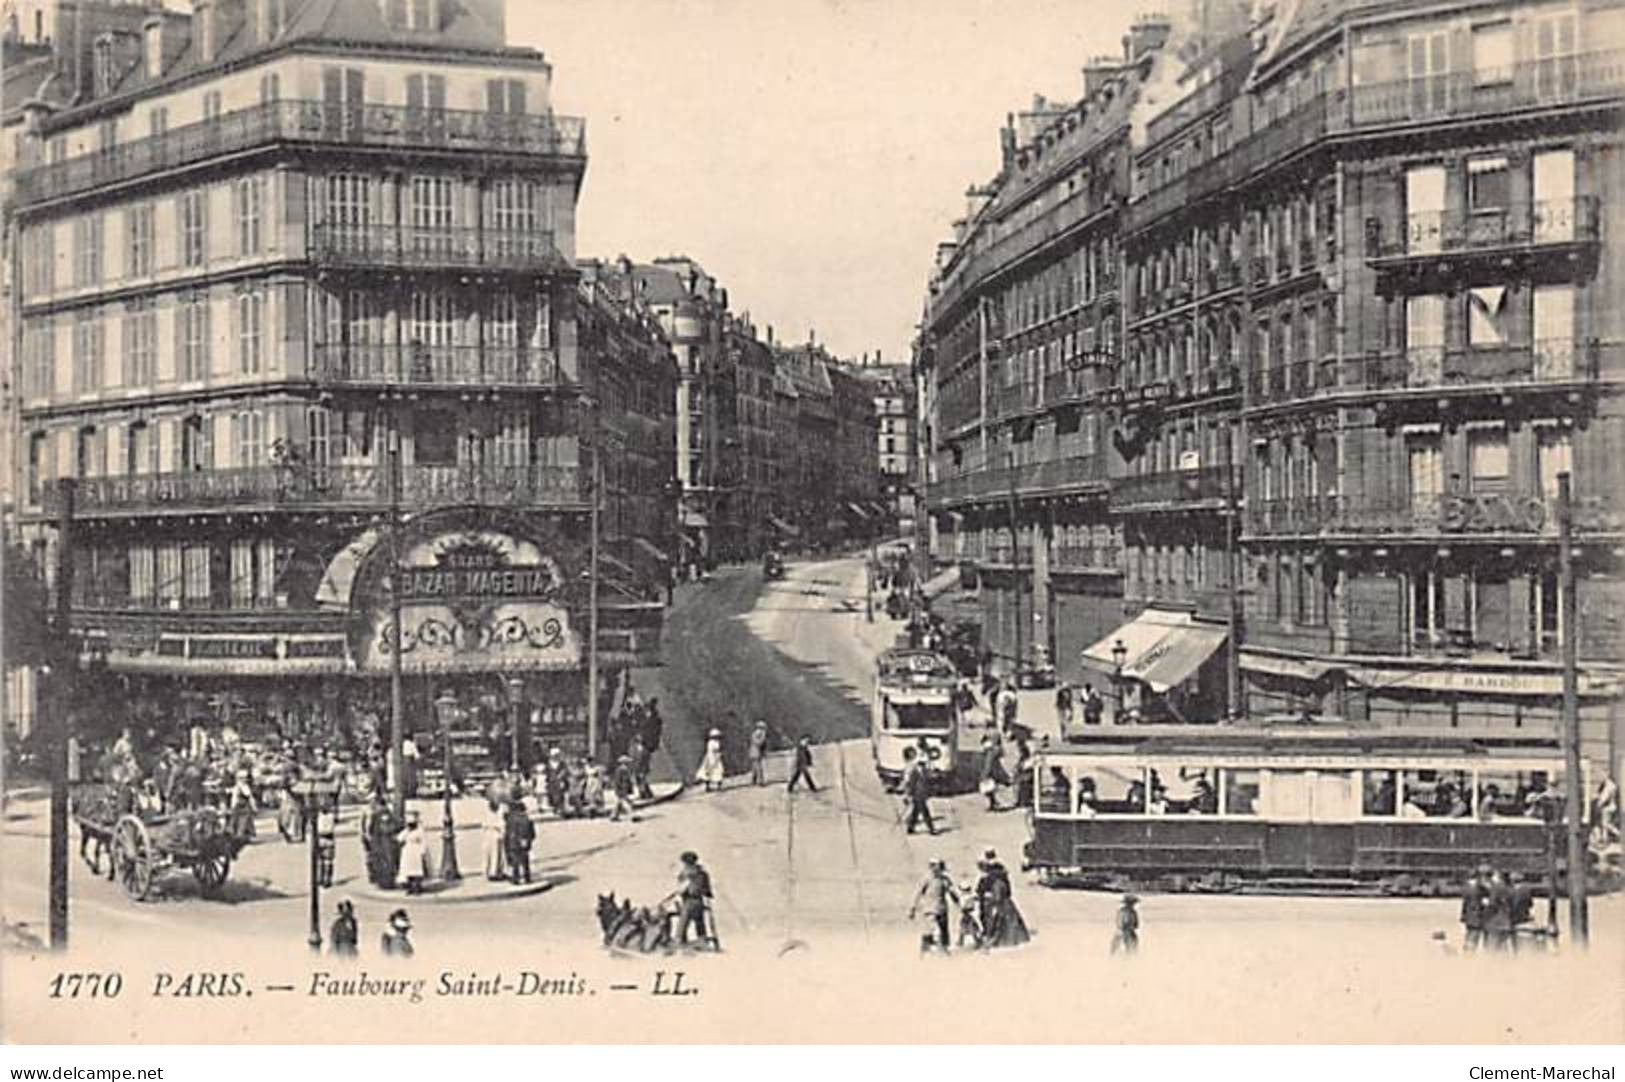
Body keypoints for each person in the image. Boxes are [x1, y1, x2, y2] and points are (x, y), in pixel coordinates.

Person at [976, 850, 1031, 948]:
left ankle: (994, 938)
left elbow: (983, 888)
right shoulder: (1001, 871)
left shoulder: (989, 876)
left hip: (994, 898)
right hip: (1003, 898)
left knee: (994, 919)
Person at [908, 859, 959, 954]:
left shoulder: (945, 879)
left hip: (942, 909)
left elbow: (952, 892)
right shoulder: (926, 879)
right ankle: (926, 951)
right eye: (934, 866)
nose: (936, 869)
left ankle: (943, 951)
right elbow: (918, 893)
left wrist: (958, 902)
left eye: (939, 867)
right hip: (929, 910)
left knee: (943, 932)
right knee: (932, 931)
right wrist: (912, 908)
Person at [676, 851, 715, 948]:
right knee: (699, 921)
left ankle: (680, 941)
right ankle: (702, 940)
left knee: (683, 922)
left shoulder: (684, 874)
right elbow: (707, 891)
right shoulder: (703, 874)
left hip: (689, 902)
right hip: (699, 902)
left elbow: (681, 890)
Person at [903, 753, 937, 836]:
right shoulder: (914, 773)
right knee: (926, 812)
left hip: (922, 794)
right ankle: (931, 829)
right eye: (921, 764)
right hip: (917, 795)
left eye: (923, 764)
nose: (922, 766)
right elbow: (911, 785)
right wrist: (909, 795)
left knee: (915, 812)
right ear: (918, 764)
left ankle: (910, 828)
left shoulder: (924, 772)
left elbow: (928, 782)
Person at [1483, 869, 1515, 952]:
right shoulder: (1509, 887)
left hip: (1496, 921)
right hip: (1506, 920)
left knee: (1492, 946)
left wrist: (1486, 903)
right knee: (1503, 945)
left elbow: (1492, 904)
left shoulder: (1496, 887)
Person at [396, 812, 428, 895]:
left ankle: (417, 888)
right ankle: (410, 888)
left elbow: (423, 842)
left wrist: (422, 852)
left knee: (416, 871)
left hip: (416, 851)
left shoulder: (420, 831)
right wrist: (406, 831)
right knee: (408, 871)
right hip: (407, 851)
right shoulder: (406, 831)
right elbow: (399, 838)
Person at [505, 799, 534, 884]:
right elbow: (532, 833)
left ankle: (515, 878)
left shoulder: (511, 819)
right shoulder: (527, 819)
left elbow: (508, 831)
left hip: (513, 842)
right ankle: (527, 877)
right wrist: (528, 840)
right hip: (524, 843)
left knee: (515, 862)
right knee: (525, 861)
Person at [977, 734, 1008, 812]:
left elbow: (989, 764)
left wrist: (985, 774)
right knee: (989, 790)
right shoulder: (992, 751)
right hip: (992, 772)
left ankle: (993, 804)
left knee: (988, 789)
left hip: (989, 773)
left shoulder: (990, 752)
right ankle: (993, 803)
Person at [481, 794, 508, 881]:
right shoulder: (500, 811)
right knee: (497, 854)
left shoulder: (486, 811)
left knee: (488, 854)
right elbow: (502, 823)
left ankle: (488, 871)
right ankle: (496, 872)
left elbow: (483, 824)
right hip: (496, 833)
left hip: (488, 834)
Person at [315, 797, 337, 888]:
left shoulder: (319, 816)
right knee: (326, 861)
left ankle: (323, 879)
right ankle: (326, 879)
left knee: (323, 860)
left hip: (322, 839)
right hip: (328, 839)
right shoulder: (330, 817)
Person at [697, 728, 726, 793]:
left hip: (716, 758)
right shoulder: (711, 743)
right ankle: (708, 786)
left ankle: (718, 786)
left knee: (718, 771)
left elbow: (718, 750)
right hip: (711, 758)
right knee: (710, 771)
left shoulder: (716, 742)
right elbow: (712, 750)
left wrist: (719, 753)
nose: (717, 737)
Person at [610, 755, 637, 822]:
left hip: (623, 789)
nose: (629, 763)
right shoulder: (620, 770)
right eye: (628, 762)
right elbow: (617, 781)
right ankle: (632, 816)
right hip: (621, 790)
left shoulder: (626, 770)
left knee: (618, 803)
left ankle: (614, 816)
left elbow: (628, 781)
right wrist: (620, 790)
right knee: (627, 803)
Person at [629, 734, 654, 800]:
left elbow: (644, 760)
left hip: (641, 768)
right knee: (640, 781)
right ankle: (645, 793)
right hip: (638, 768)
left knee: (642, 781)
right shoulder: (636, 749)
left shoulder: (643, 750)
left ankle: (644, 794)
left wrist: (643, 770)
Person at [749, 721, 770, 786]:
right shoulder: (756, 734)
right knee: (758, 768)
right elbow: (759, 743)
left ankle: (754, 780)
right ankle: (760, 781)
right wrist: (763, 737)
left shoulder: (759, 734)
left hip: (758, 753)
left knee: (756, 767)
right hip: (755, 753)